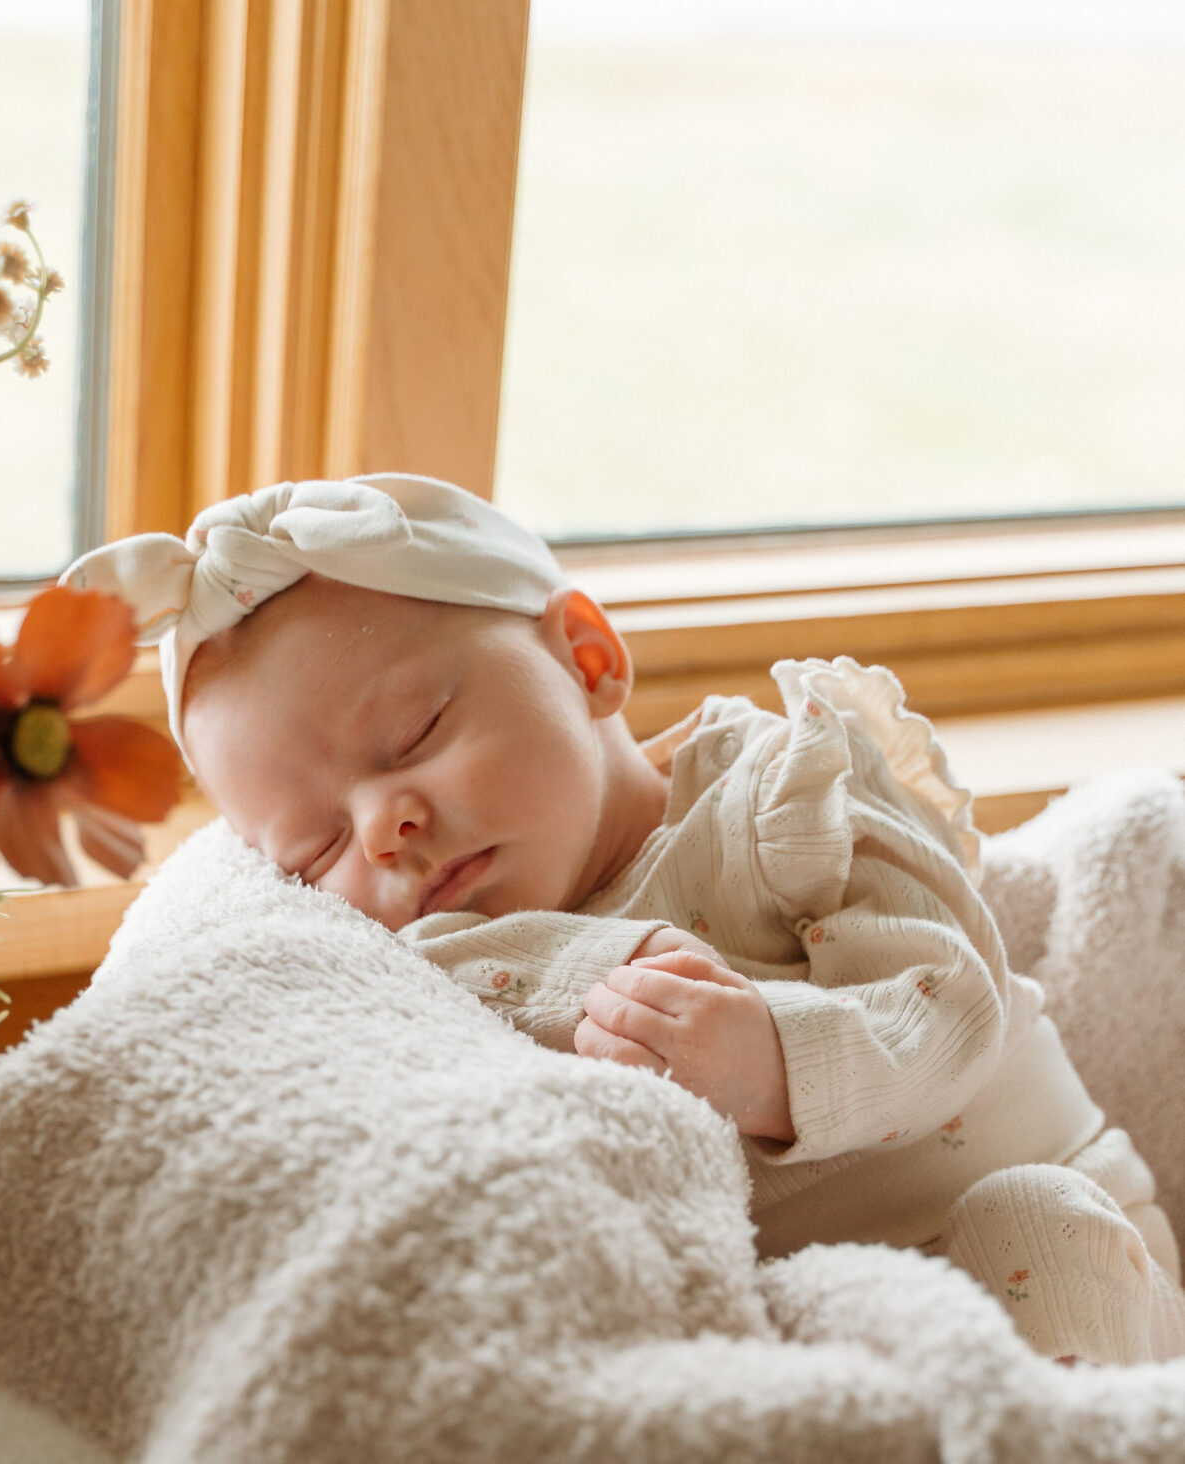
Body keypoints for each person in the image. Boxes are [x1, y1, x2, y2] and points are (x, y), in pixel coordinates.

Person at [64, 474, 1185, 1365]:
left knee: (1032, 1220)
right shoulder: (440, 967)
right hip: (820, 1334)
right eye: (312, 846)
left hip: (1065, 1257)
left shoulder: (780, 795)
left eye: (411, 738)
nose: (382, 830)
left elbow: (948, 995)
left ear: (585, 658)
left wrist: (773, 1061)